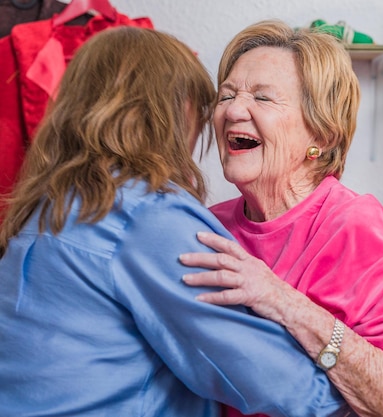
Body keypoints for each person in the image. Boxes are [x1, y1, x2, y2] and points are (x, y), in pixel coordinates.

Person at [0, 26, 354, 417]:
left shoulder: (47, 207)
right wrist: (371, 385)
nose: (221, 118)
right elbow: (282, 383)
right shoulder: (147, 218)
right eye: (217, 103)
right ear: (169, 110)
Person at [179, 20, 383, 417]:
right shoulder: (208, 225)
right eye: (227, 96)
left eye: (263, 98)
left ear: (321, 136)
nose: (234, 110)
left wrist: (281, 300)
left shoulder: (351, 225)